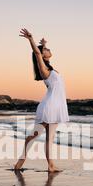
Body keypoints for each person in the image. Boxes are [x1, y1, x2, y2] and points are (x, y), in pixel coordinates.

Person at [14, 28, 70, 172]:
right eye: (45, 49)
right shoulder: (44, 70)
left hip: (55, 107)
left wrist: (43, 43)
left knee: (48, 139)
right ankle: (20, 161)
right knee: (34, 136)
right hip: (49, 107)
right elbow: (37, 52)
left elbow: (41, 51)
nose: (47, 50)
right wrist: (31, 39)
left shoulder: (50, 69)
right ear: (42, 56)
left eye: (47, 49)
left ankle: (50, 166)